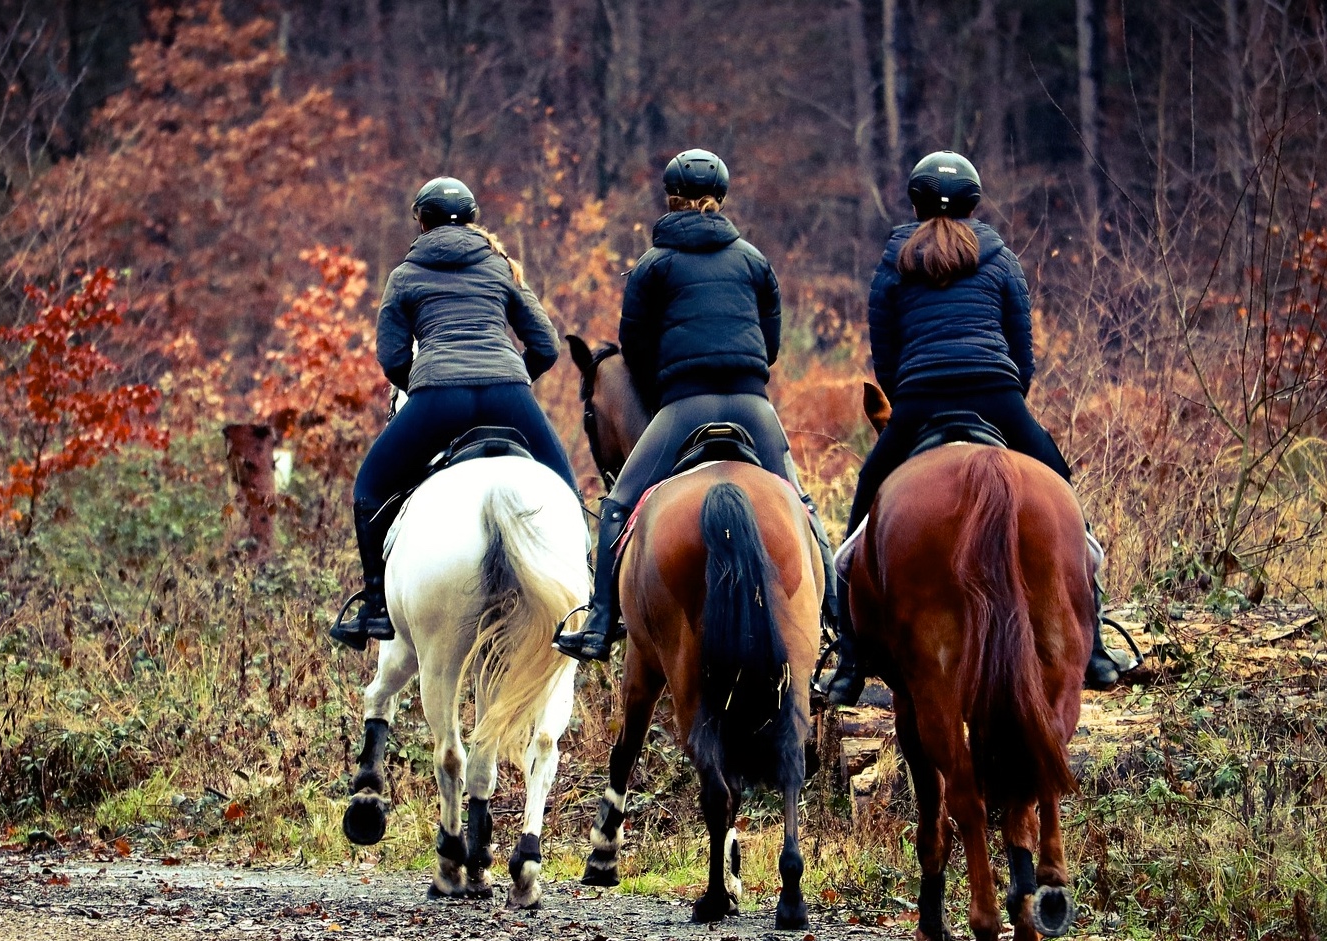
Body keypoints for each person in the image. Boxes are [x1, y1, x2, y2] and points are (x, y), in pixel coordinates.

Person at [820, 151, 1121, 704]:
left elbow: (884, 355)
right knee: (1064, 498)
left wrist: (910, 392)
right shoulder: (1001, 260)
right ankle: (1095, 644)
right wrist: (1007, 401)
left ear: (913, 203)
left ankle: (850, 658)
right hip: (997, 396)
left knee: (860, 516)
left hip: (917, 401)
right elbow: (1022, 350)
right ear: (974, 201)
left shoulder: (892, 264)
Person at [553, 149, 840, 663]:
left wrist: (671, 374)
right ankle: (839, 632)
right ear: (723, 197)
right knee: (802, 505)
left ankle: (599, 622)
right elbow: (769, 345)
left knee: (618, 505)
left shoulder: (652, 265)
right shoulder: (754, 260)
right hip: (754, 408)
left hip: (684, 405)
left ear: (670, 198)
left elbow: (635, 353)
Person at [329, 177, 578, 651]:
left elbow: (392, 357)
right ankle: (584, 600)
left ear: (420, 221)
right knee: (566, 490)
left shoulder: (404, 274)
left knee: (370, 486)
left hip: (438, 396)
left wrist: (422, 389)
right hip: (508, 394)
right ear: (474, 219)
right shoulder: (500, 266)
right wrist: (513, 379)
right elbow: (545, 344)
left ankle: (376, 606)